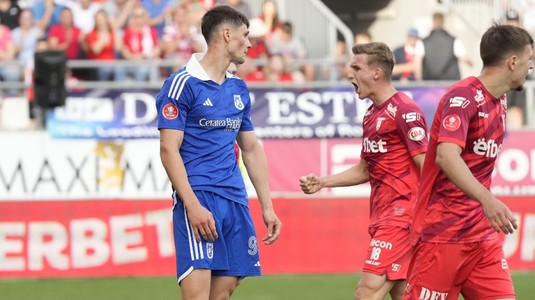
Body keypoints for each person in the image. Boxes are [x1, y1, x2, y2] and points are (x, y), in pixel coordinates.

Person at [156, 5, 282, 299]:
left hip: (235, 199)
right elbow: (168, 150)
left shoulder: (238, 87)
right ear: (226, 34)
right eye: (245, 35)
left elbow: (250, 148)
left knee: (222, 294)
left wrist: (266, 206)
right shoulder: (181, 84)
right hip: (200, 197)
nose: (250, 43)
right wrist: (192, 205)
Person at [403, 23, 533, 300]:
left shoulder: (499, 101)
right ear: (512, 62)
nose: (530, 68)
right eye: (528, 60)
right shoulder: (462, 97)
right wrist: (488, 200)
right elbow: (447, 157)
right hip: (441, 234)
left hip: (482, 238)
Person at [299, 42, 429, 300]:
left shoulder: (405, 110)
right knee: (406, 295)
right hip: (382, 215)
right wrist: (323, 182)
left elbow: (428, 165)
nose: (350, 74)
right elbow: (365, 169)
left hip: (402, 217)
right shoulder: (371, 115)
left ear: (377, 73)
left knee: (366, 292)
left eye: (356, 68)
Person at [415, 12, 472, 81]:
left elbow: (417, 63)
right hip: (450, 83)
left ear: (433, 22)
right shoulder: (453, 40)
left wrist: (419, 81)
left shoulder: (423, 42)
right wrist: (471, 62)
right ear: (443, 22)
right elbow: (463, 58)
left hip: (430, 84)